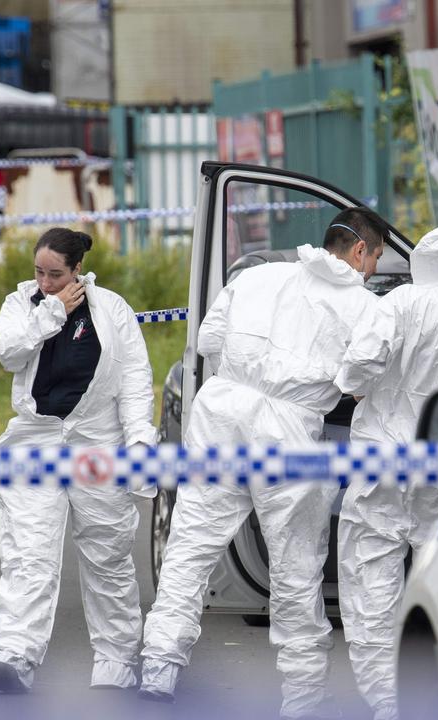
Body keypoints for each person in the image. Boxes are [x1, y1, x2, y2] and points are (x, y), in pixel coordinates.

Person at [139, 208, 389, 715]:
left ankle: (159, 665)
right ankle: (302, 696)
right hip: (288, 428)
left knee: (190, 543)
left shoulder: (256, 277)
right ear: (360, 250)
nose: (374, 271)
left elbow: (208, 342)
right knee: (295, 563)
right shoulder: (363, 307)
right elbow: (362, 382)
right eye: (377, 258)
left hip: (221, 412)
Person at [334, 225, 438, 720]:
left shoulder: (400, 303)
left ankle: (388, 702)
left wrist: (360, 385)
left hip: (382, 467)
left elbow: (356, 370)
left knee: (370, 585)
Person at [0, 227, 157, 694]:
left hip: (98, 443)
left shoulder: (112, 310)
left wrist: (140, 441)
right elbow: (8, 352)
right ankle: (14, 654)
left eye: (55, 274)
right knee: (28, 551)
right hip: (34, 441)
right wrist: (52, 311)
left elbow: (135, 379)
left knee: (108, 555)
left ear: (78, 269)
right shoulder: (22, 304)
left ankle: (117, 659)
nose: (44, 280)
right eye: (39, 271)